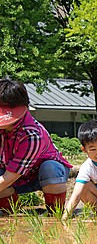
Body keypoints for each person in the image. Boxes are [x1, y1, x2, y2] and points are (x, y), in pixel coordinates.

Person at [0, 78, 71, 214]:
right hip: (9, 174)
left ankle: (55, 213)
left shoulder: (31, 134)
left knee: (50, 167)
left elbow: (10, 176)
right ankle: (12, 213)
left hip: (39, 175)